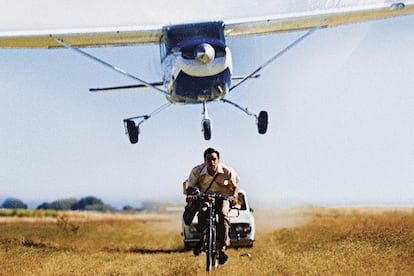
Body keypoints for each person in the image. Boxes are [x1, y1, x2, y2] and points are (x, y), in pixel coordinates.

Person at [184, 147, 240, 265]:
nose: (212, 162)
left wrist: (234, 197)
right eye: (209, 159)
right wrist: (189, 196)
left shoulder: (227, 171)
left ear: (219, 160)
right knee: (203, 211)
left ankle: (222, 248)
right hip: (205, 197)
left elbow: (235, 187)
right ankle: (203, 236)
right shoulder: (197, 171)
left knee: (224, 215)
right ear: (204, 161)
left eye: (214, 159)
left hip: (223, 197)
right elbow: (189, 187)